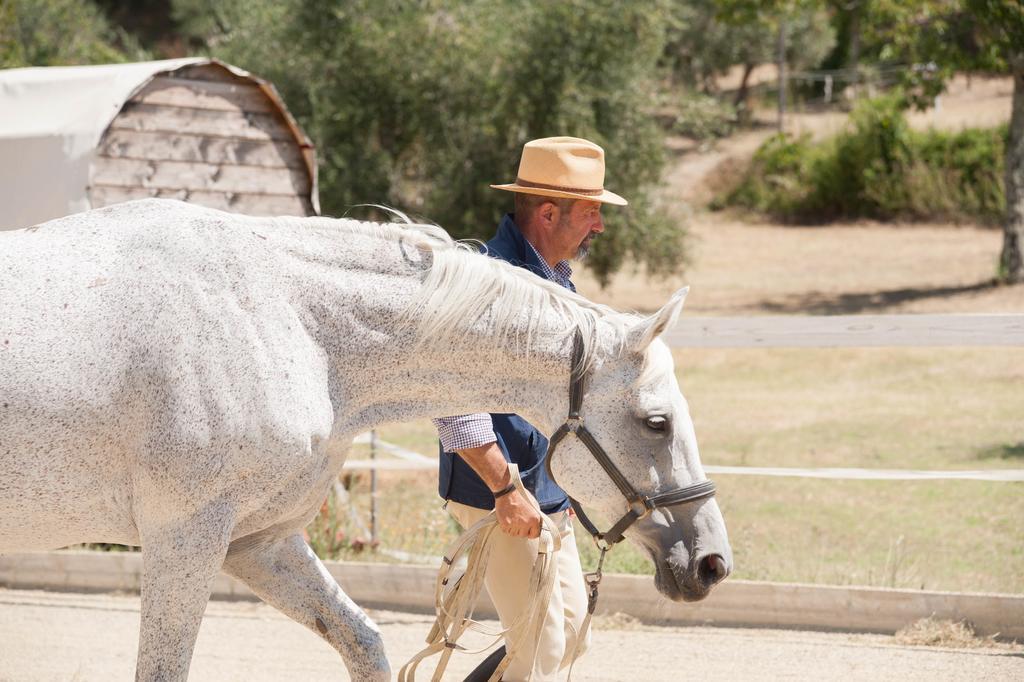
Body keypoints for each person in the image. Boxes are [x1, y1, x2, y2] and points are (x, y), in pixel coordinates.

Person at [432, 136, 627, 682]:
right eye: (592, 212)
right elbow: (453, 401)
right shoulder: (489, 282)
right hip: (500, 494)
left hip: (543, 494)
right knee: (541, 649)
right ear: (547, 212)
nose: (600, 226)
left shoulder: (552, 281)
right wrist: (504, 491)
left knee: (568, 633)